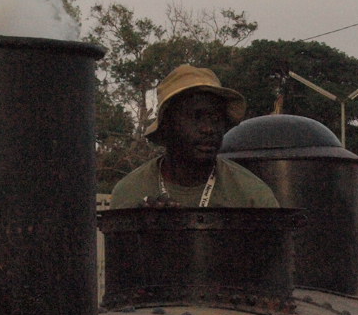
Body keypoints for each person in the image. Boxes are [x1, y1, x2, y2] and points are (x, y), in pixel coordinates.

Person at [110, 65, 279, 209]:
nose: (208, 129)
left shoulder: (252, 195)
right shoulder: (130, 194)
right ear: (167, 125)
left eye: (216, 119)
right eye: (196, 117)